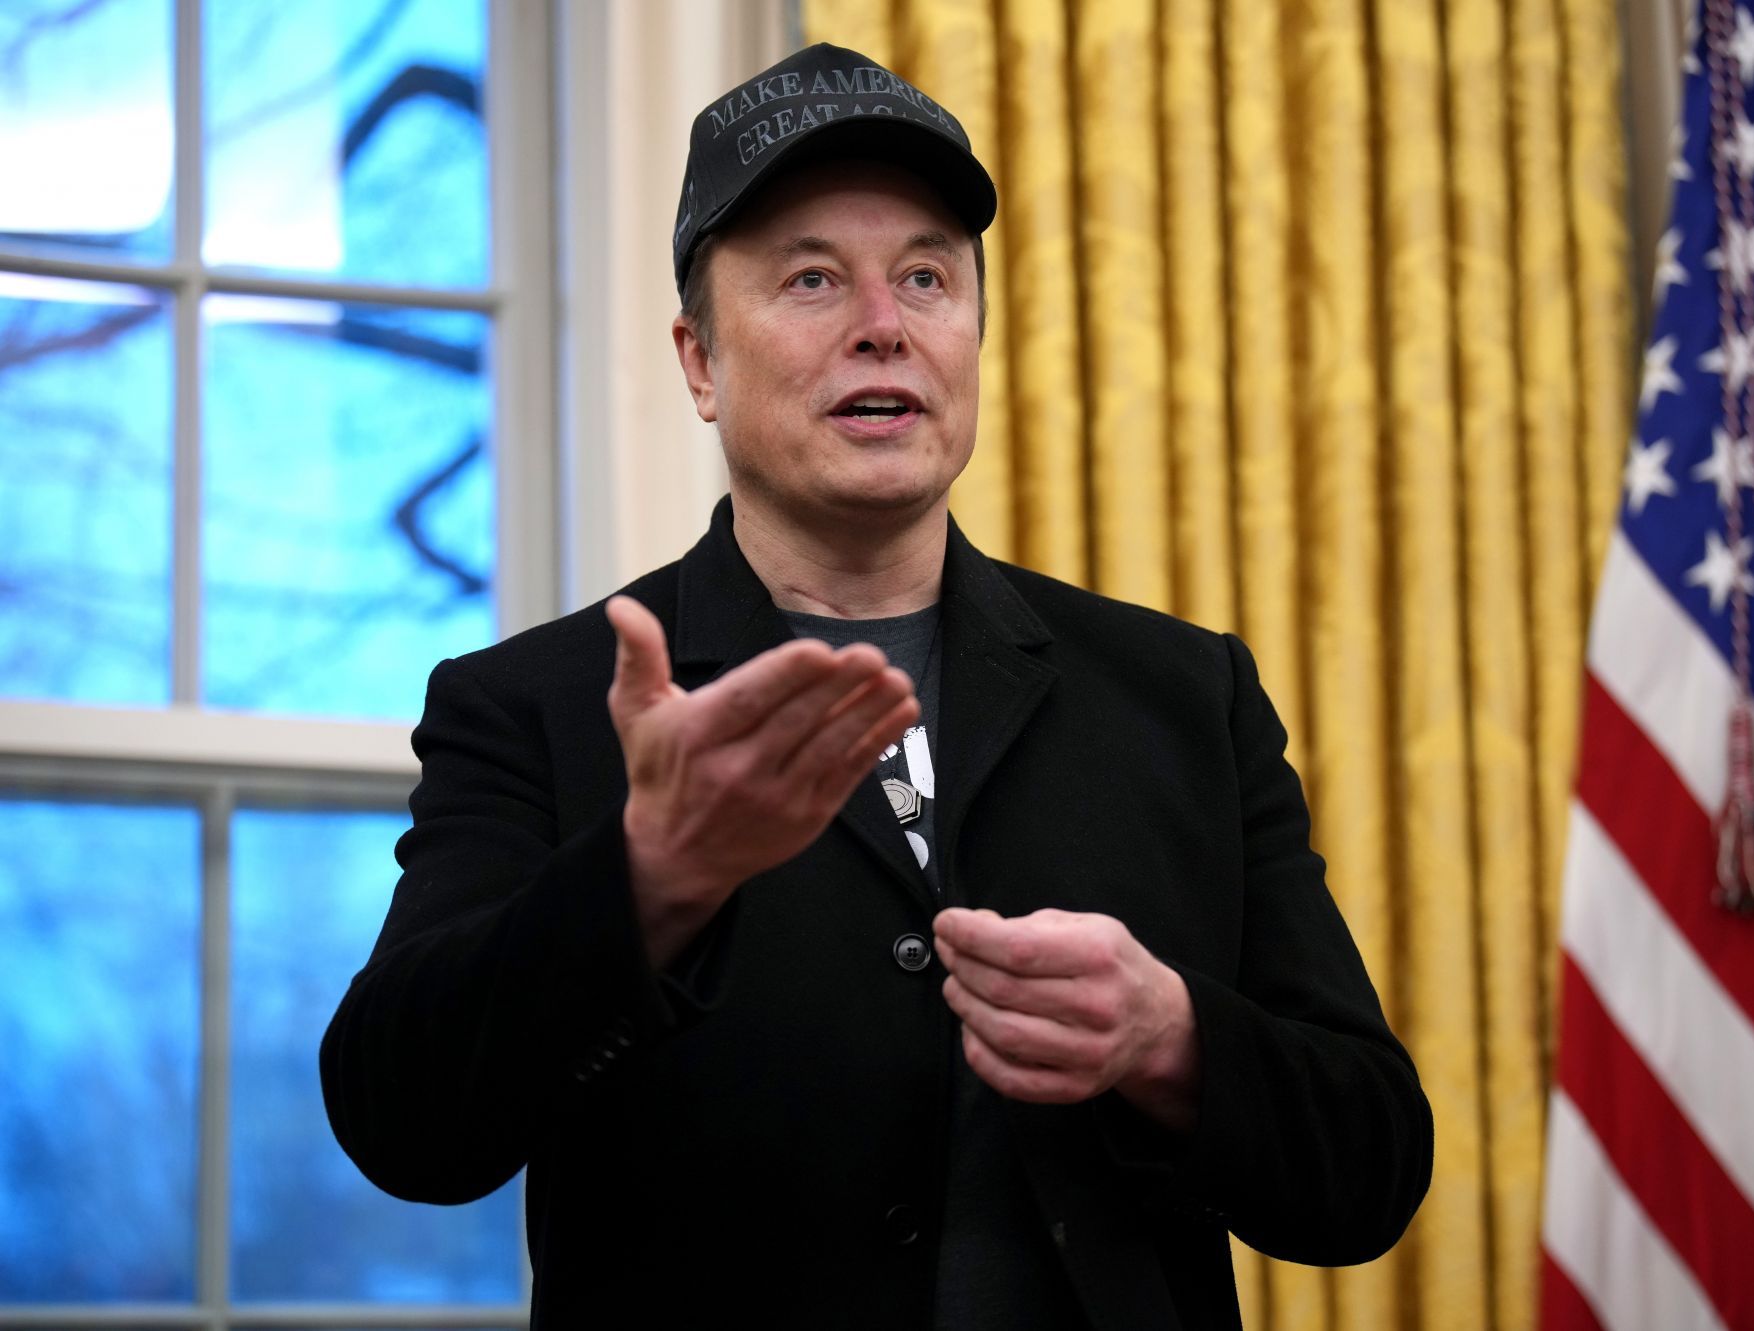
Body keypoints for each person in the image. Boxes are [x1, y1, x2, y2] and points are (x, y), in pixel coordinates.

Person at [321, 42, 1431, 1329]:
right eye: (810, 278)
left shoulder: (1186, 693)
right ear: (699, 361)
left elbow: (1370, 1168)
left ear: (972, 337)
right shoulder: (533, 705)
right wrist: (650, 877)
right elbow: (405, 1126)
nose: (883, 322)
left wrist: (1170, 1037)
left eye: (926, 275)